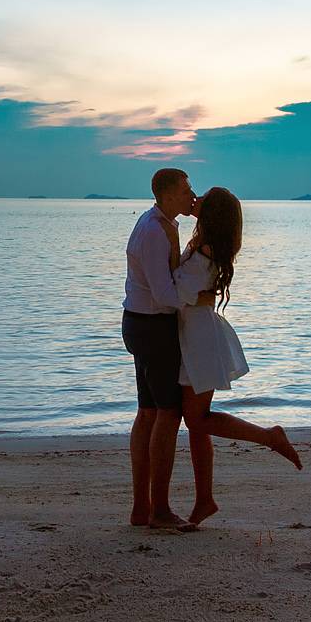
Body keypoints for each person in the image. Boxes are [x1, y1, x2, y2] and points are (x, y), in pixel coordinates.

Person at [172, 186, 301, 529]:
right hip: (195, 335)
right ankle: (204, 501)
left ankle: (269, 436)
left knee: (198, 420)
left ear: (211, 214)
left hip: (200, 340)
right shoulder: (208, 245)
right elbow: (191, 294)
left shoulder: (206, 250)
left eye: (203, 199)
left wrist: (192, 294)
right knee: (197, 425)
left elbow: (177, 290)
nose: (194, 199)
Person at [121, 166, 200, 528]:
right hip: (152, 327)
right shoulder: (154, 231)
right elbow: (164, 294)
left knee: (150, 413)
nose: (190, 195)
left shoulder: (162, 223)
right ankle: (160, 510)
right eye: (186, 191)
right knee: (166, 415)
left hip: (142, 323)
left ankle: (143, 509)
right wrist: (200, 300)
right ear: (167, 195)